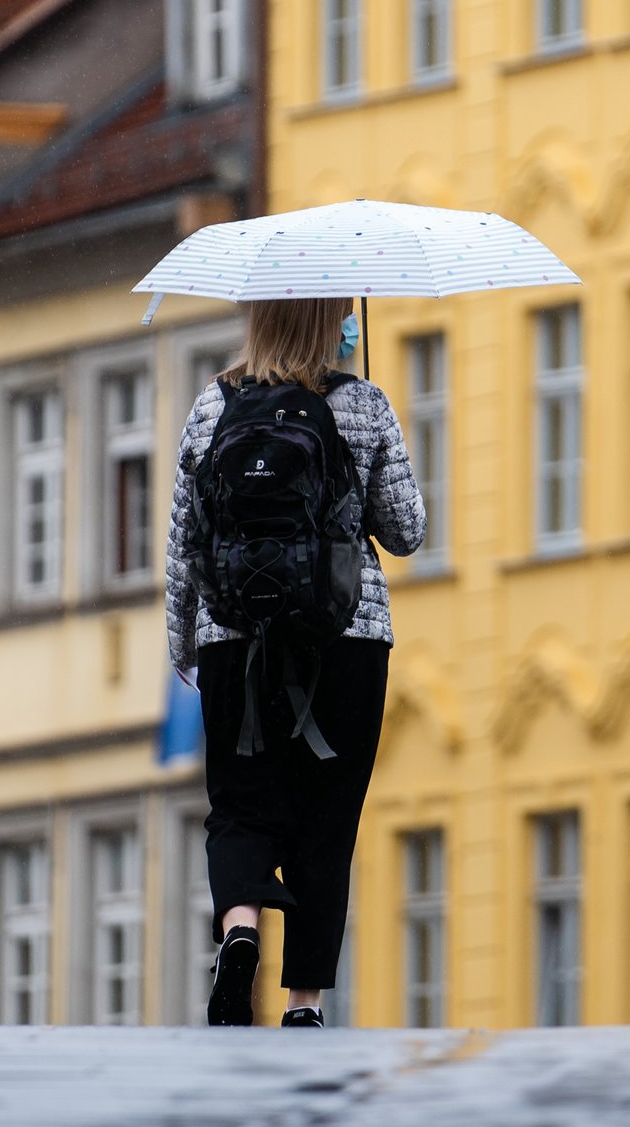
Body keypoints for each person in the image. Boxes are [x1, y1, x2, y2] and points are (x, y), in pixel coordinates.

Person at [166, 297, 424, 1028]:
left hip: (234, 635)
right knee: (326, 817)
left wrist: (183, 639)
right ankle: (303, 1002)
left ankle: (240, 928)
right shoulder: (362, 403)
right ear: (330, 324)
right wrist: (358, 453)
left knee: (239, 805)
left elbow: (184, 538)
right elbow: (406, 531)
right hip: (345, 634)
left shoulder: (213, 404)